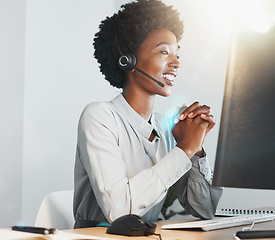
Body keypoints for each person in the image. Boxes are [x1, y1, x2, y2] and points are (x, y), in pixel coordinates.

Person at [73, 0, 223, 228]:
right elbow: (119, 211)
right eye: (164, 52)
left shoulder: (166, 127)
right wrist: (185, 149)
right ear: (128, 60)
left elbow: (205, 209)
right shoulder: (99, 117)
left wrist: (196, 150)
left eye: (177, 55)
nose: (176, 63)